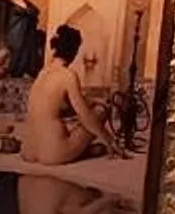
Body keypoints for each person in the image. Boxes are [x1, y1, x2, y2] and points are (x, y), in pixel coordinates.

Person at [20, 22, 113, 166]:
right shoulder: (68, 75)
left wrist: (92, 100)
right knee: (100, 111)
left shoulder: (43, 73)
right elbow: (86, 117)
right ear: (74, 51)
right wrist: (110, 140)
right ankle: (84, 151)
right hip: (53, 153)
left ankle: (86, 152)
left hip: (28, 150)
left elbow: (54, 106)